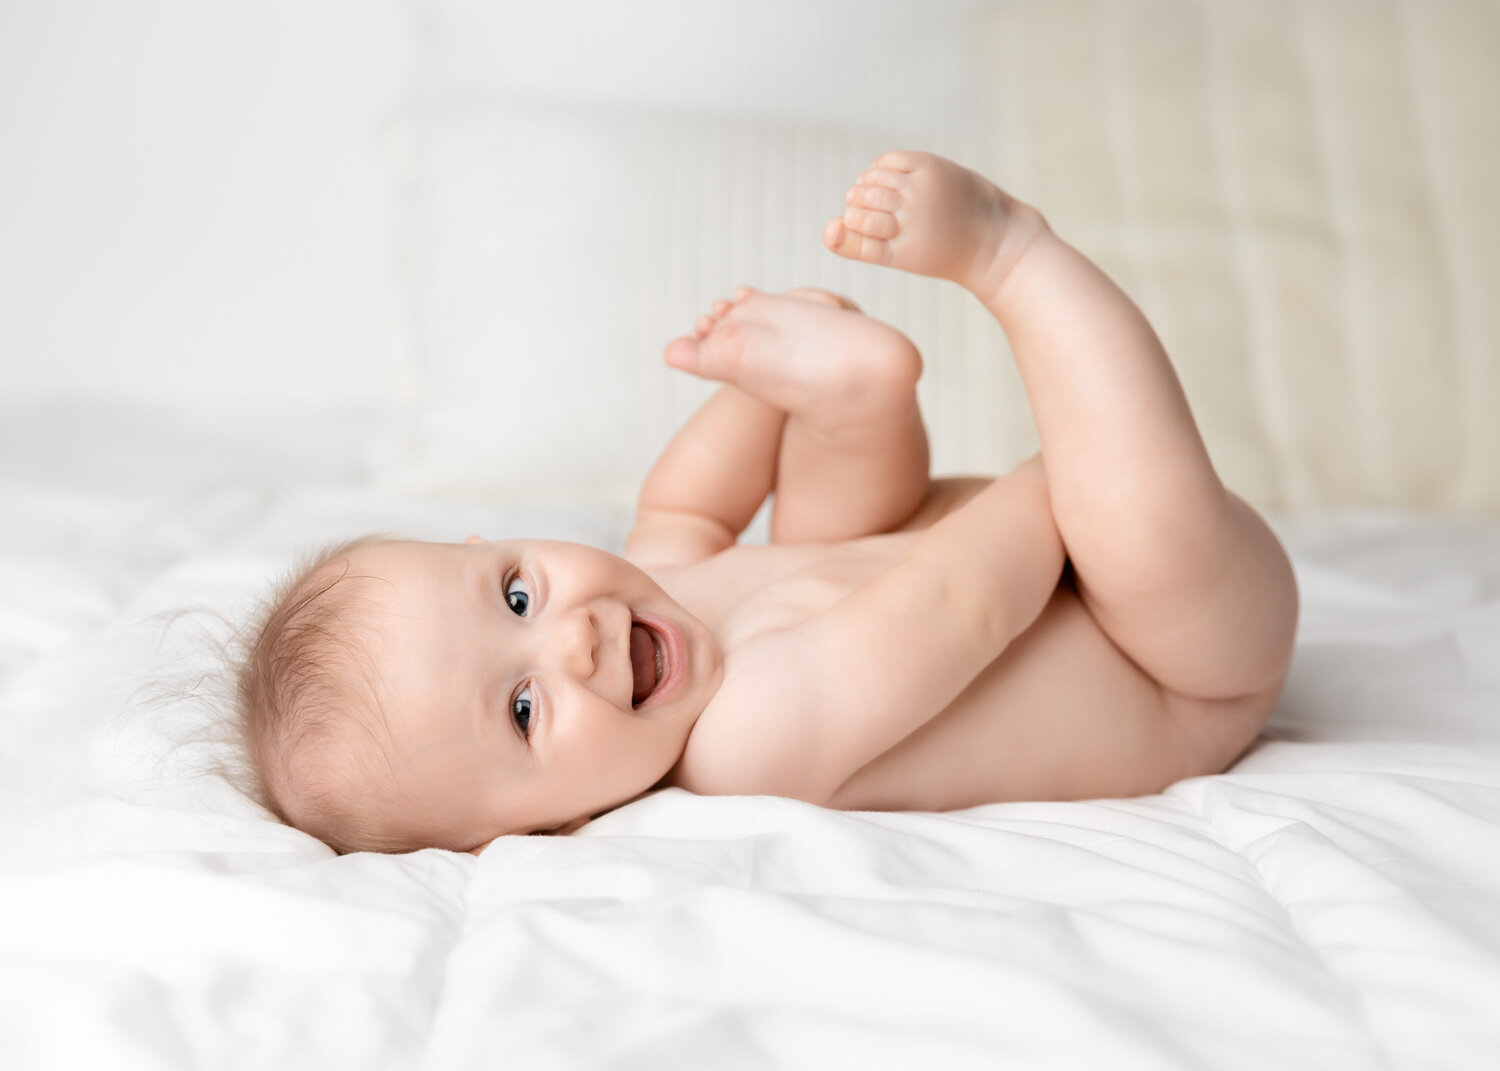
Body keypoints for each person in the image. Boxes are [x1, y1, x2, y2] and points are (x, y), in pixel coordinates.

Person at [236, 150, 1299, 855]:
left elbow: (691, 509)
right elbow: (962, 603)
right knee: (1135, 527)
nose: (578, 639)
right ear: (526, 833)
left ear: (494, 543)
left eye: (515, 593)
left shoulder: (660, 601)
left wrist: (759, 381)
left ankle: (854, 394)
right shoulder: (746, 745)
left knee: (819, 531)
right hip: (1177, 666)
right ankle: (1016, 255)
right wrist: (1063, 467)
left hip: (1001, 566)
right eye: (524, 711)